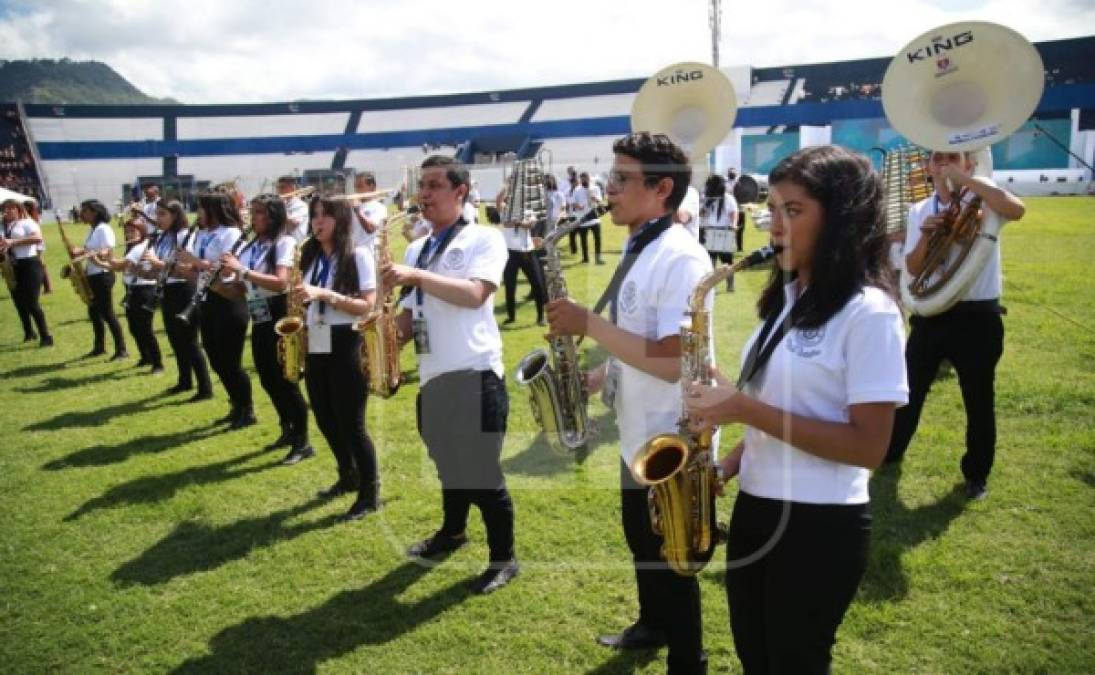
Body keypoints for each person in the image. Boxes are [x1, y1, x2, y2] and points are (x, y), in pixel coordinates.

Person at [683, 145, 908, 673]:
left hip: (819, 524)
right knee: (756, 658)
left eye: (794, 211)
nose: (774, 227)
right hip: (757, 509)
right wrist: (732, 459)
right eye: (772, 211)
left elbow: (868, 447)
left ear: (842, 218)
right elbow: (784, 405)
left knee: (794, 662)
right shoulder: (789, 298)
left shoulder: (869, 312)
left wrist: (743, 409)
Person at [546, 132, 712, 674]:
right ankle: (652, 624)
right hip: (638, 430)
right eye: (610, 176)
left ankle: (688, 661)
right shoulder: (642, 246)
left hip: (671, 438)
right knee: (642, 542)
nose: (608, 188)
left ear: (661, 188)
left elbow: (671, 359)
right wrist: (604, 374)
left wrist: (587, 323)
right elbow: (641, 337)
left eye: (621, 179)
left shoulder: (681, 257)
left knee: (673, 559)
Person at [381, 155, 519, 595]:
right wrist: (383, 341)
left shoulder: (484, 238)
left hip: (476, 375)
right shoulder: (416, 248)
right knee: (445, 463)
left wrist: (417, 275)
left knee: (480, 473)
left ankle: (504, 558)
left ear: (460, 190)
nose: (424, 193)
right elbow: (410, 315)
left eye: (435, 184)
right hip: (433, 377)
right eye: (422, 185)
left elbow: (477, 295)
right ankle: (453, 531)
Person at [885, 149, 1026, 500]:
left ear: (969, 163)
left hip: (978, 318)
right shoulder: (920, 210)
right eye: (937, 158)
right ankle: (890, 452)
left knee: (978, 399)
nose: (944, 164)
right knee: (909, 392)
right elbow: (914, 268)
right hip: (931, 317)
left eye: (953, 158)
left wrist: (964, 182)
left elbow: (1017, 210)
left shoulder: (986, 199)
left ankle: (976, 474)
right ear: (929, 166)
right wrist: (926, 238)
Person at [293, 194, 380, 520]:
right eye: (314, 215)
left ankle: (369, 492)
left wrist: (325, 294)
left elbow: (367, 305)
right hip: (317, 337)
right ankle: (348, 474)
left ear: (340, 220)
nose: (317, 221)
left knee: (352, 421)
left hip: (346, 339)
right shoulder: (313, 258)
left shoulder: (357, 255)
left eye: (325, 215)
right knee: (324, 414)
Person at [221, 194, 314, 465]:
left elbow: (281, 282)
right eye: (252, 211)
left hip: (279, 312)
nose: (253, 217)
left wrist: (243, 271)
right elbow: (243, 287)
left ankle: (303, 441)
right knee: (266, 377)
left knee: (286, 380)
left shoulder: (284, 242)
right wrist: (219, 283)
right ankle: (288, 428)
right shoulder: (252, 245)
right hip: (258, 312)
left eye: (259, 212)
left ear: (273, 216)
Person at [177, 191, 255, 428]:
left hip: (229, 301)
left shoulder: (230, 233)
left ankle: (247, 409)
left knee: (231, 362)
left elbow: (227, 269)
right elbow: (203, 270)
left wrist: (195, 262)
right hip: (207, 301)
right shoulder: (203, 234)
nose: (197, 213)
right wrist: (186, 269)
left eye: (201, 208)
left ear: (213, 210)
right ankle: (236, 404)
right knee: (215, 358)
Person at [142, 200, 213, 399]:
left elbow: (185, 270)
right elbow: (165, 265)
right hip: (168, 290)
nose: (158, 218)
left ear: (175, 215)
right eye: (157, 214)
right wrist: (150, 269)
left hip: (184, 289)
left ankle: (205, 387)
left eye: (163, 214)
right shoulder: (163, 236)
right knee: (175, 339)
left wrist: (158, 264)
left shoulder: (184, 235)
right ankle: (185, 381)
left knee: (189, 341)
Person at [93, 219, 164, 373]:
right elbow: (121, 268)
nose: (128, 234)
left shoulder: (140, 247)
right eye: (126, 231)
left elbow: (120, 264)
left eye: (133, 231)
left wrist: (108, 256)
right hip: (132, 290)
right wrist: (98, 261)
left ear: (141, 231)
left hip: (144, 291)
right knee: (134, 327)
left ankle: (158, 363)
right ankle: (146, 357)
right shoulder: (131, 248)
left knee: (145, 329)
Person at [72, 200, 128, 360]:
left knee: (107, 313)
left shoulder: (103, 229)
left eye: (85, 211)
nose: (82, 214)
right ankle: (99, 346)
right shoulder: (94, 229)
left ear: (94, 212)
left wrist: (84, 251)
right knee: (94, 312)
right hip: (93, 274)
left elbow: (106, 251)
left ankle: (121, 349)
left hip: (102, 274)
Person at [494, 183, 548, 326]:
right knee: (510, 286)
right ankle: (511, 316)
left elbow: (530, 224)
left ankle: (541, 316)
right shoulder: (506, 209)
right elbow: (499, 203)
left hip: (527, 252)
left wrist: (516, 223)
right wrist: (507, 185)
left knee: (537, 284)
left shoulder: (528, 210)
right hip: (510, 253)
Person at [0, 199, 52, 346]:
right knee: (18, 302)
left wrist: (12, 242)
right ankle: (29, 332)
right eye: (5, 208)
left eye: (11, 208)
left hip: (29, 264)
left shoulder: (27, 222)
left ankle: (46, 335)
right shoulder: (3, 226)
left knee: (32, 302)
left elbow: (37, 238)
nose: (8, 211)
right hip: (11, 265)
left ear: (18, 209)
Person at [697, 174, 739, 291]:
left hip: (724, 230)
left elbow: (734, 212)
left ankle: (730, 284)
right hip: (710, 230)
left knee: (727, 261)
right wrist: (706, 205)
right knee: (710, 261)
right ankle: (711, 287)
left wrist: (734, 224)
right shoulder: (707, 199)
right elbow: (701, 214)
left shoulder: (728, 198)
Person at [567, 171, 605, 264]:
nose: (585, 180)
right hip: (582, 217)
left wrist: (594, 198)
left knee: (597, 238)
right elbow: (572, 201)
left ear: (589, 178)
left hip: (594, 217)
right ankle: (585, 258)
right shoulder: (577, 189)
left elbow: (600, 200)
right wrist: (577, 205)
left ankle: (598, 258)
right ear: (581, 179)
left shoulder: (595, 188)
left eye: (586, 178)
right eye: (583, 178)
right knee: (583, 239)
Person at [349, 171, 388, 252]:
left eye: (360, 186)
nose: (356, 190)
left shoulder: (379, 207)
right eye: (355, 187)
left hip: (371, 254)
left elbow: (370, 229)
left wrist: (357, 210)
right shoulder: (353, 207)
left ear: (372, 187)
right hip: (354, 254)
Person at [23, 200, 52, 294]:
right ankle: (47, 286)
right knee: (41, 262)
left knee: (40, 262)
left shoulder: (31, 217)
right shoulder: (32, 216)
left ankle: (47, 286)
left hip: (36, 241)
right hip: (37, 241)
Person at [277, 176, 310, 242]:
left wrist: (279, 208)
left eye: (282, 187)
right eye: (278, 188)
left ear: (292, 188)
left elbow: (292, 225)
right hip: (281, 241)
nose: (279, 190)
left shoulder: (300, 205)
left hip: (295, 243)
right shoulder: (283, 204)